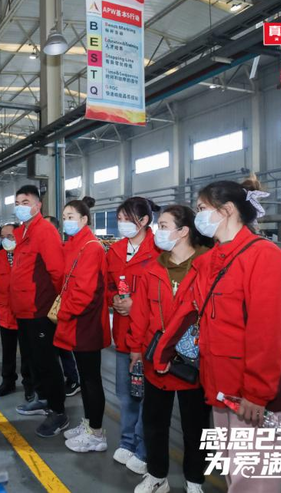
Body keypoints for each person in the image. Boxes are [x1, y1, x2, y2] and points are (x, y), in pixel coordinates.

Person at [157, 178, 281, 493]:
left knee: (254, 477)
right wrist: (163, 352)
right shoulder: (210, 260)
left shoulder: (265, 257)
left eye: (202, 209)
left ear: (227, 210)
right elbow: (187, 309)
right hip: (221, 386)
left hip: (254, 395)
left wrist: (257, 392)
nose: (198, 217)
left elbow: (269, 332)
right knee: (234, 467)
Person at [128, 205, 212, 493]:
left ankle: (194, 481)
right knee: (154, 423)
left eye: (163, 226)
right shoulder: (152, 269)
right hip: (156, 359)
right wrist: (136, 349)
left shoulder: (207, 266)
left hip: (193, 361)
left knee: (196, 426)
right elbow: (140, 313)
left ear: (183, 231)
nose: (157, 231)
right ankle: (156, 476)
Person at [106, 197, 161, 475]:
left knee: (147, 396)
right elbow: (108, 285)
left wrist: (135, 304)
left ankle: (143, 448)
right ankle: (127, 442)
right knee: (126, 394)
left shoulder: (159, 250)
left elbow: (161, 293)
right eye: (120, 219)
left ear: (145, 221)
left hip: (149, 337)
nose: (122, 224)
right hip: (123, 334)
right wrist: (114, 299)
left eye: (127, 219)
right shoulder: (115, 250)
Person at [54, 197, 112, 453]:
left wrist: (63, 312)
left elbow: (85, 293)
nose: (66, 221)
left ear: (84, 219)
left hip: (86, 324)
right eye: (65, 217)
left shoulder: (91, 248)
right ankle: (89, 424)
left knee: (90, 380)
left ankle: (97, 434)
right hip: (76, 322)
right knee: (86, 378)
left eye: (71, 217)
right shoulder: (74, 245)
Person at [10, 185, 68, 437]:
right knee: (33, 360)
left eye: (25, 202)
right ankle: (43, 398)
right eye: (17, 203)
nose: (20, 207)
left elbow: (57, 271)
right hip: (23, 310)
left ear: (37, 205)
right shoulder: (23, 232)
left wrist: (52, 304)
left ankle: (58, 411)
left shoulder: (44, 231)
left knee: (47, 362)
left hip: (39, 310)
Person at [0, 223, 31, 397]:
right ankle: (8, 381)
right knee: (8, 350)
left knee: (27, 352)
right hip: (5, 313)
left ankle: (29, 384)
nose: (6, 240)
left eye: (10, 236)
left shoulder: (28, 256)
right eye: (3, 237)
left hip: (26, 312)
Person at [43, 215, 81, 396]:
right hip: (43, 303)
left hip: (60, 303)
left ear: (57, 231)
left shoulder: (66, 249)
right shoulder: (39, 250)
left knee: (64, 344)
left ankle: (73, 378)